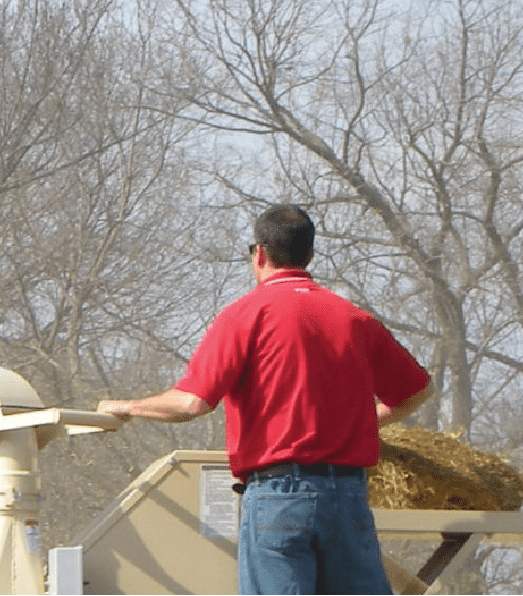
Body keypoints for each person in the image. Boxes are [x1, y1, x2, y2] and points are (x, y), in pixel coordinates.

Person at [97, 203, 433, 596]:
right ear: (309, 254)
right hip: (348, 496)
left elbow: (191, 403)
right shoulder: (355, 319)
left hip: (279, 495)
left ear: (259, 253)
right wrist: (358, 421)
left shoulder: (245, 315)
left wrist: (124, 407)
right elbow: (417, 392)